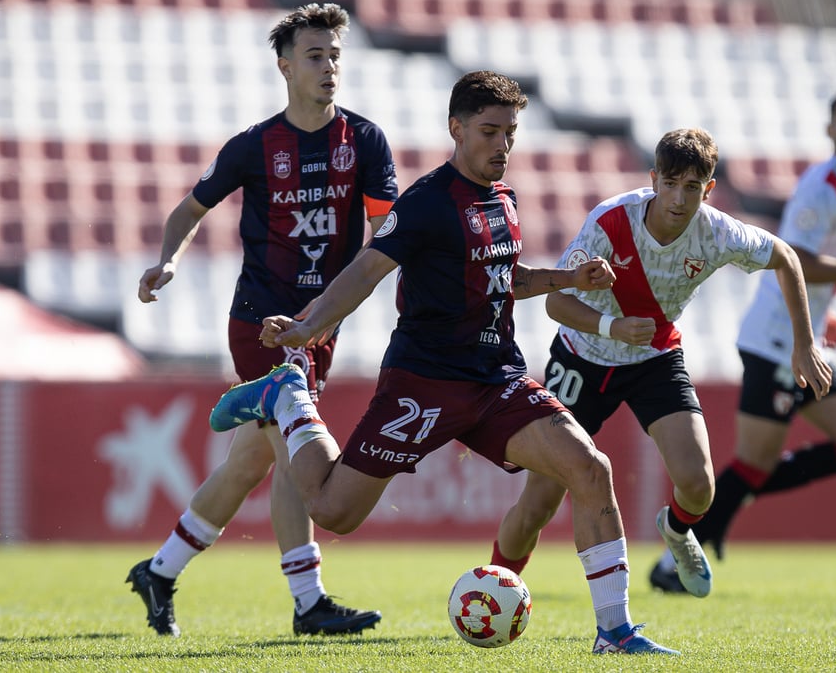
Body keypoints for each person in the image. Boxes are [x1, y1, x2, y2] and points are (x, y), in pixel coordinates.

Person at [209, 71, 679, 655]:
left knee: (590, 468)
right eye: (489, 131)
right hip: (424, 382)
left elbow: (505, 279)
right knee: (333, 511)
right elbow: (367, 268)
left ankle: (615, 632)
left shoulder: (504, 199)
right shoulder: (428, 200)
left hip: (497, 379)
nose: (503, 144)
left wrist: (568, 278)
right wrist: (307, 326)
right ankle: (288, 398)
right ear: (456, 128)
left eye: (510, 132)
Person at [128, 3, 396, 636]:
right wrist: (168, 261)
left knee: (251, 461)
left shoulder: (364, 141)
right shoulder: (254, 146)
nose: (329, 67)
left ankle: (160, 571)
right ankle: (308, 601)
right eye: (314, 56)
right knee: (297, 449)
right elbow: (187, 212)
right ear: (285, 66)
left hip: (320, 324)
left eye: (335, 56)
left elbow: (387, 227)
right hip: (260, 323)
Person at [487, 128, 831, 599]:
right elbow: (556, 303)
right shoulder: (611, 220)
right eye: (670, 184)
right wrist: (613, 327)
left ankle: (676, 530)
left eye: (692, 187)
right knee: (541, 501)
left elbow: (786, 257)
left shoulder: (717, 232)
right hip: (583, 358)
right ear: (653, 180)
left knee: (699, 487)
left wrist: (804, 343)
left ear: (709, 189)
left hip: (654, 358)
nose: (679, 198)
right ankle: (492, 590)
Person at [650, 89, 836, 592]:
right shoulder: (820, 189)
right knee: (752, 463)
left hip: (805, 338)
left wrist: (825, 316)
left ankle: (728, 506)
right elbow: (795, 258)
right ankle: (670, 562)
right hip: (775, 341)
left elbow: (813, 271)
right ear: (831, 130)